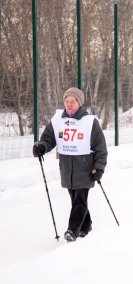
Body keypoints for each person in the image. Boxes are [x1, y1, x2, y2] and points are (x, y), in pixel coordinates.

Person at [32, 87, 108, 242]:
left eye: (72, 101)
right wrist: (41, 147)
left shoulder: (89, 122)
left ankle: (72, 231)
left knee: (80, 199)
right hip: (66, 168)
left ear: (79, 103)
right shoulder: (57, 120)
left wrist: (99, 168)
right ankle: (86, 225)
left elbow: (101, 147)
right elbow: (49, 139)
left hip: (85, 168)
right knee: (75, 199)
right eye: (67, 101)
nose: (69, 104)